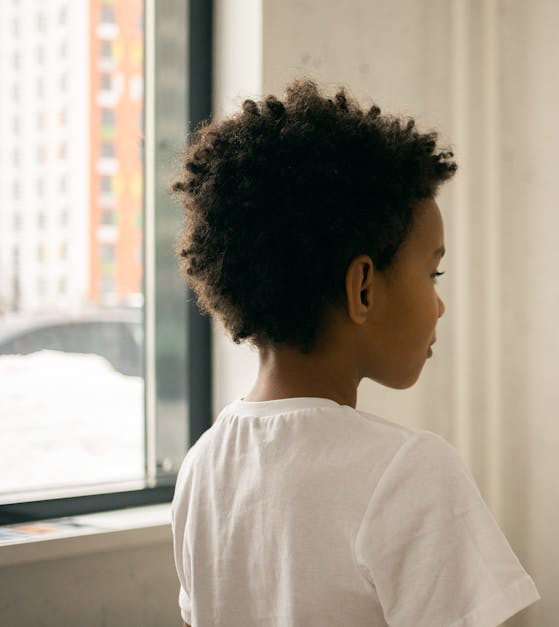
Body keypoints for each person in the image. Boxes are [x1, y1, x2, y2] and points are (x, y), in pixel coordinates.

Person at [170, 80, 539, 627]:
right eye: (432, 273)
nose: (439, 306)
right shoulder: (407, 471)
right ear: (362, 287)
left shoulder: (203, 467)